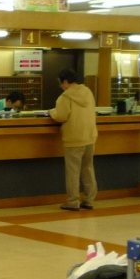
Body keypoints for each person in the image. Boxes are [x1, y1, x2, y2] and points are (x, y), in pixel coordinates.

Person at [49, 68, 97, 211]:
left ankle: (73, 202)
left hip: (74, 138)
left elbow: (61, 116)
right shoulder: (87, 92)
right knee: (88, 169)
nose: (61, 86)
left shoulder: (65, 97)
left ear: (65, 82)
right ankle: (89, 200)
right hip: (90, 136)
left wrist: (51, 112)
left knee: (73, 172)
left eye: (60, 83)